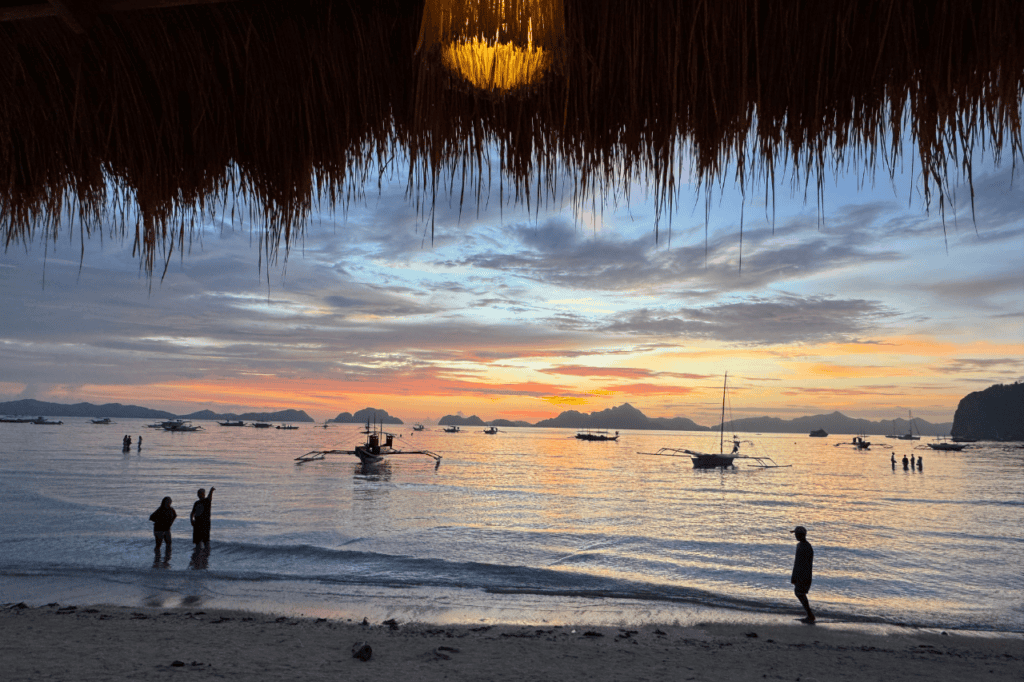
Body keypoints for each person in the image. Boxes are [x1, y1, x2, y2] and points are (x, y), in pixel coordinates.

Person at [789, 525, 815, 623]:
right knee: (799, 593)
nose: (795, 536)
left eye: (796, 534)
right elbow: (797, 563)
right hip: (800, 574)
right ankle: (809, 614)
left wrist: (797, 576)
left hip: (803, 575)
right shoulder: (801, 545)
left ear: (801, 535)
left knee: (800, 593)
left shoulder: (805, 547)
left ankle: (810, 614)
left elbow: (803, 564)